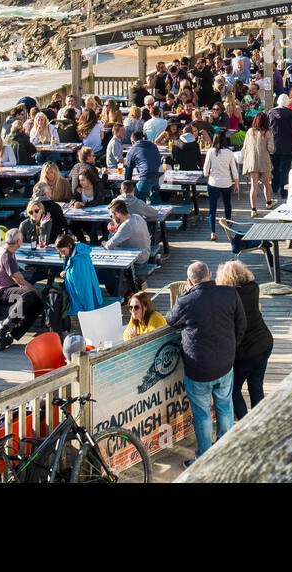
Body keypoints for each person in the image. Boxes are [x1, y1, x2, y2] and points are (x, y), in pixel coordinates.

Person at [166, 261, 245, 463]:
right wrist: (231, 348)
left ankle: (204, 458)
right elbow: (241, 324)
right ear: (210, 275)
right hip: (225, 364)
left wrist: (185, 294)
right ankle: (224, 452)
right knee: (225, 407)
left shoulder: (186, 301)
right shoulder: (229, 293)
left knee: (202, 415)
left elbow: (170, 319)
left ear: (189, 281)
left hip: (198, 369)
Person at [216, 260, 273, 421]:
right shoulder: (253, 288)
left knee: (234, 391)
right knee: (256, 387)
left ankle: (245, 423)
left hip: (245, 351)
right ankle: (260, 422)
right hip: (264, 342)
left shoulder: (229, 297)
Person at [0, 229, 42, 351]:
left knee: (38, 305)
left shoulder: (3, 249)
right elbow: (20, 282)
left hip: (4, 288)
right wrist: (35, 290)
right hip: (1, 292)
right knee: (30, 295)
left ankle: (11, 336)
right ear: (19, 241)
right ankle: (4, 326)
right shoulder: (7, 255)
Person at [202, 131, 239, 242]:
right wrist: (237, 183)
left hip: (213, 183)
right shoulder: (229, 152)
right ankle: (228, 223)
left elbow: (205, 171)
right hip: (226, 183)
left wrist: (209, 174)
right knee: (227, 204)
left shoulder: (211, 152)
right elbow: (234, 170)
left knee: (212, 209)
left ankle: (213, 232)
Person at [239, 113, 273, 215]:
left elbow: (245, 147)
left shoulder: (250, 131)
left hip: (252, 162)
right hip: (264, 161)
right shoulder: (268, 132)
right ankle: (268, 202)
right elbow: (271, 149)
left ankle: (253, 209)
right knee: (267, 183)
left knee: (253, 186)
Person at [267, 94, 292, 199]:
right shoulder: (291, 114)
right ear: (287, 103)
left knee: (274, 167)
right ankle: (284, 191)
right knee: (285, 169)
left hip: (274, 144)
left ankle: (275, 187)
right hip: (288, 145)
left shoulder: (271, 113)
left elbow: (267, 128)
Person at [104, 198, 151, 264]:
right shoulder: (137, 217)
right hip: (145, 257)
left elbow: (109, 246)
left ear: (117, 214)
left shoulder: (126, 225)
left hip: (137, 263)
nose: (112, 219)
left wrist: (110, 234)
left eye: (111, 216)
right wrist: (115, 230)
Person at [124, 130, 163, 203]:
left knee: (137, 200)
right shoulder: (153, 145)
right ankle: (157, 212)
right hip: (159, 174)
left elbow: (128, 172)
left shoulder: (132, 150)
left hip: (147, 175)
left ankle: (144, 213)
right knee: (155, 197)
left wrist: (126, 189)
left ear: (132, 142)